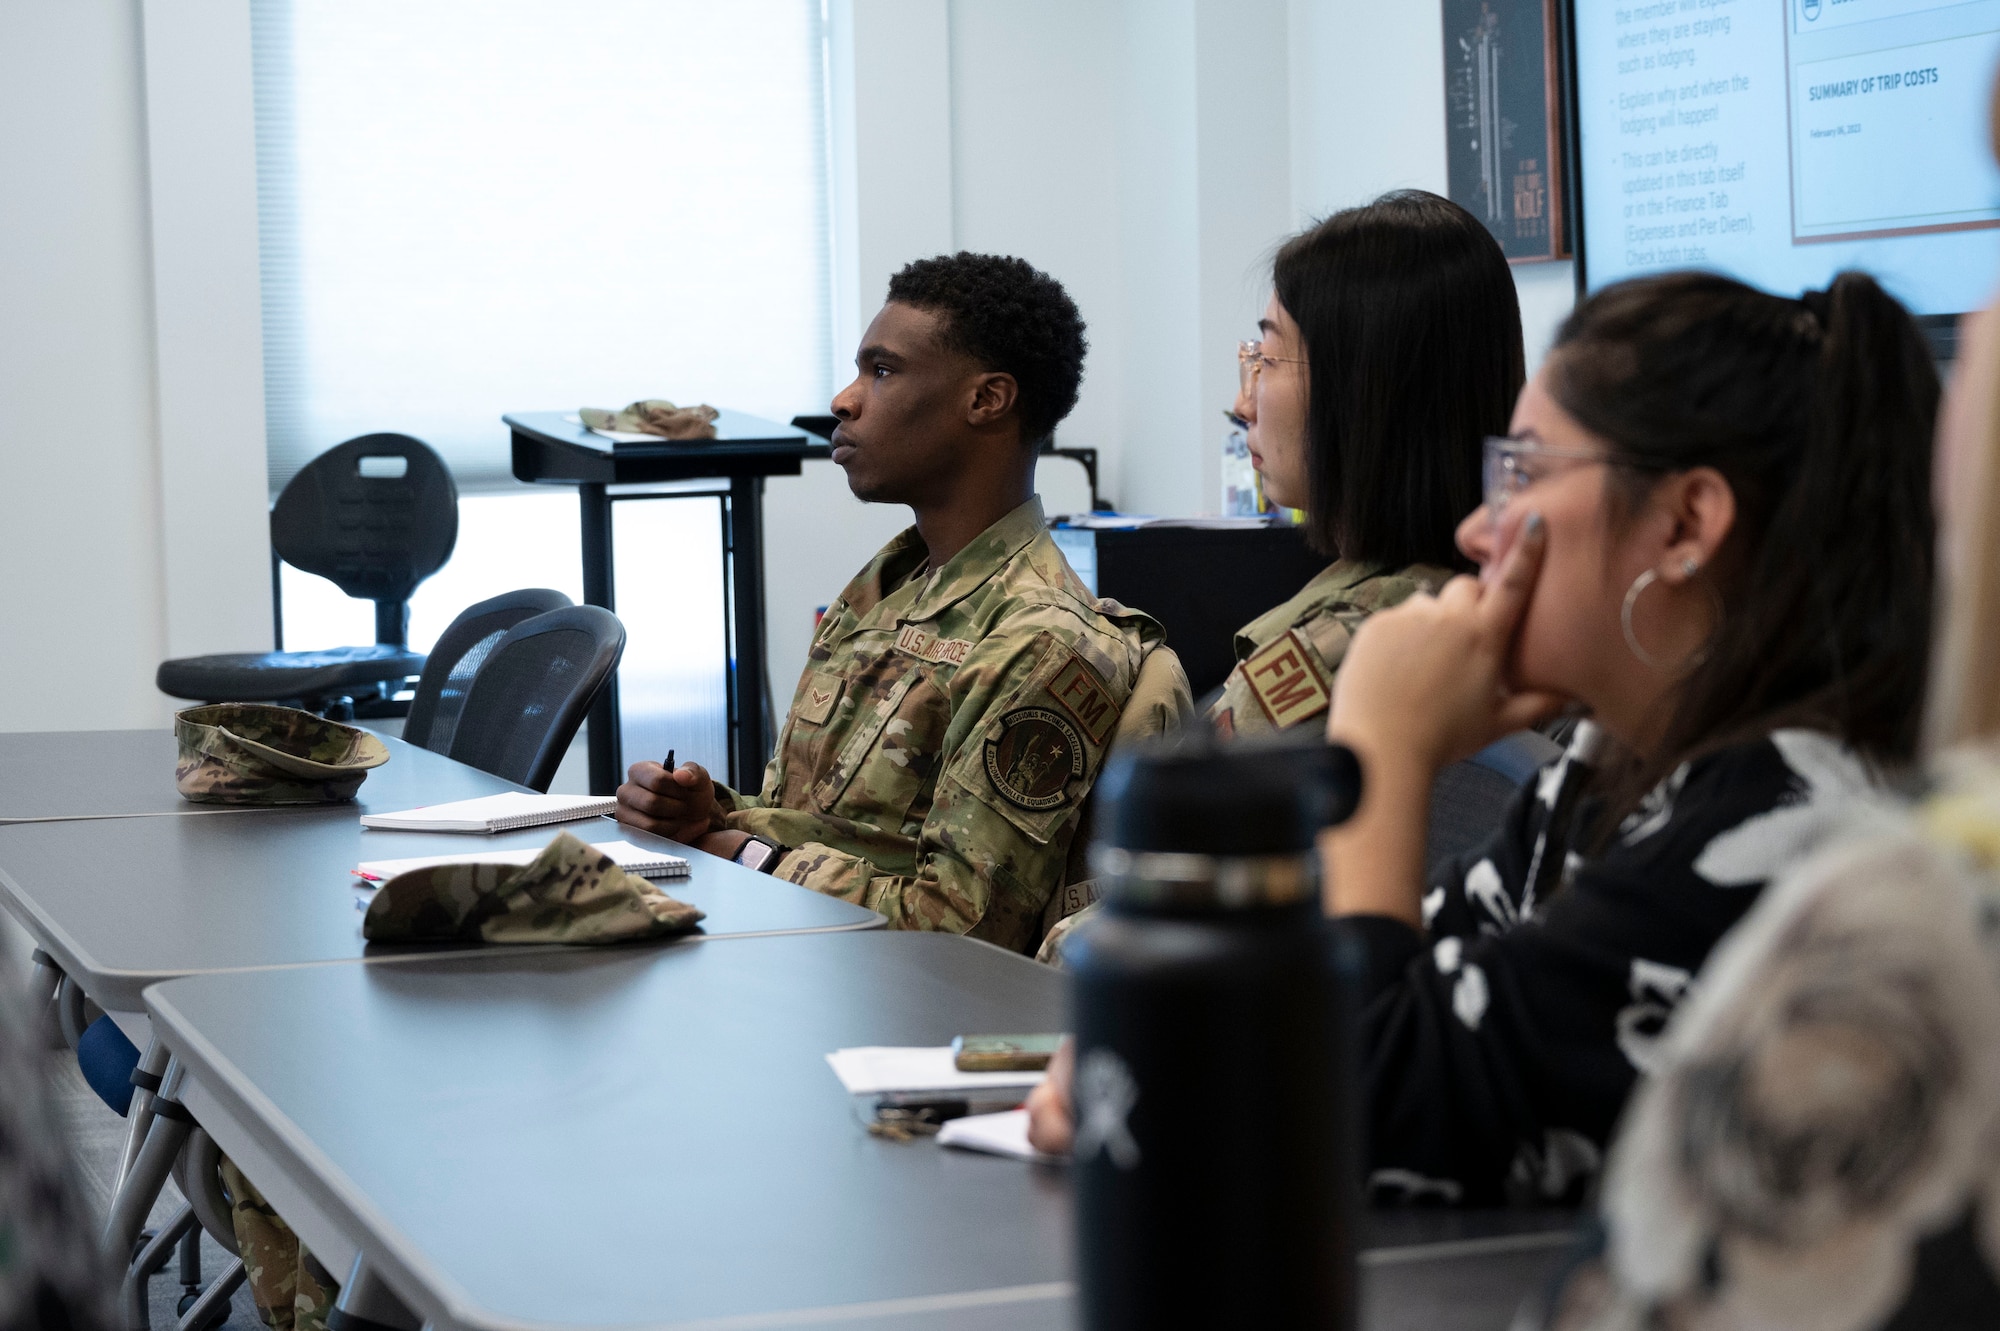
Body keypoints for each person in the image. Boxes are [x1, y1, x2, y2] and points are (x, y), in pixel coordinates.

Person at [1031, 268, 1940, 1205]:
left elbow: (1343, 1105)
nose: (1475, 530)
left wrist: (1382, 749)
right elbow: (1357, 1019)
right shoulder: (1602, 782)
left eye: (1523, 474)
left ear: (1684, 524)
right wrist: (1159, 1059)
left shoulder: (1778, 830)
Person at [614, 253, 1165, 954]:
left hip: (894, 1004)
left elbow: (962, 925)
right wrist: (708, 812)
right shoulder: (891, 588)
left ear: (986, 399)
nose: (845, 400)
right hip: (793, 953)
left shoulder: (1042, 636)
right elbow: (820, 826)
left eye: (882, 370)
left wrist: (736, 851)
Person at [1209, 189, 1522, 737]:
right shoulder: (1501, 611)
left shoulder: (1341, 656)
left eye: (1269, 359)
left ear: (1360, 393)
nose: (1244, 403)